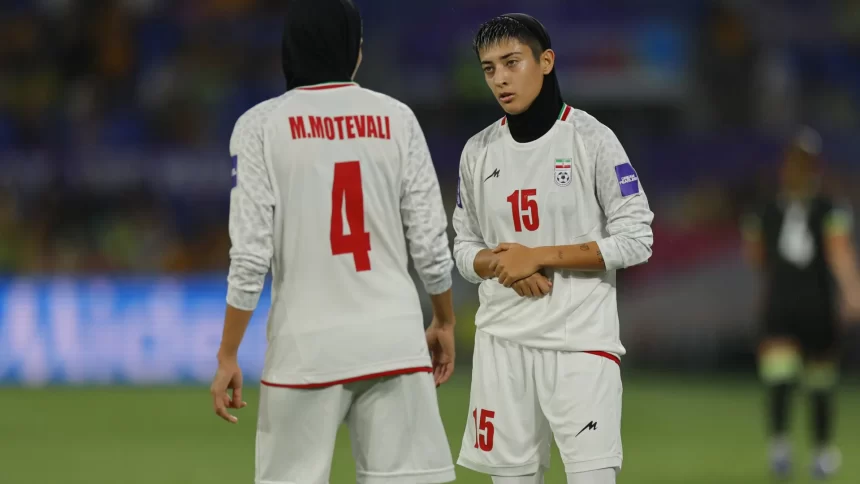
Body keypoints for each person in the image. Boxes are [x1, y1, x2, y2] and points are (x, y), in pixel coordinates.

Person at [209, 1, 457, 483]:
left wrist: (228, 353)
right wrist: (443, 319)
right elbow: (429, 239)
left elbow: (251, 254)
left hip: (305, 348)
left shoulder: (260, 125)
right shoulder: (397, 118)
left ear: (289, 50)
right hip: (393, 339)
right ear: (355, 52)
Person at [452, 14, 654, 484]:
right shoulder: (477, 151)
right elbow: (464, 248)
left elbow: (637, 238)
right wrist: (504, 264)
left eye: (512, 62)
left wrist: (538, 255)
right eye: (488, 69)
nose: (500, 79)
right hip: (501, 344)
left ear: (545, 62)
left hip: (579, 344)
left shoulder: (591, 139)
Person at [742, 127, 860, 480]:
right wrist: (852, 291)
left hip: (799, 303)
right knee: (799, 379)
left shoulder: (770, 211)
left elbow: (757, 258)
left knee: (801, 380)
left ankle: (798, 449)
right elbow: (837, 252)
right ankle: (805, 452)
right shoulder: (822, 208)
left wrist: (850, 289)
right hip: (802, 303)